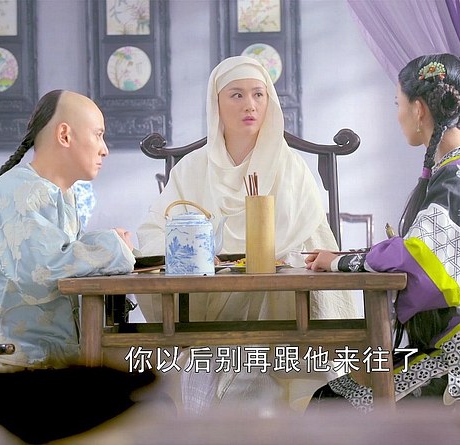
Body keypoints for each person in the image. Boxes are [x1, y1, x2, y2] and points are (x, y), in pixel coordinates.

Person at [305, 53, 460, 412]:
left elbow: (423, 259)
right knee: (333, 395)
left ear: (419, 109)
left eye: (398, 103)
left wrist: (341, 262)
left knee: (329, 404)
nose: (398, 114)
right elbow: (420, 251)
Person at [135, 56, 357, 414]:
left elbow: (315, 246)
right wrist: (194, 255)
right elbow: (153, 231)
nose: (250, 105)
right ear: (216, 103)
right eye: (236, 95)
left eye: (258, 94)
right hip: (210, 305)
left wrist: (277, 257)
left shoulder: (292, 169)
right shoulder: (193, 168)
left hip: (281, 304)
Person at [0, 90, 137, 422]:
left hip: (27, 364)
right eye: (98, 135)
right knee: (138, 410)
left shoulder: (57, 194)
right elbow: (42, 274)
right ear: (65, 135)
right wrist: (112, 246)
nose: (105, 149)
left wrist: (112, 247)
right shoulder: (21, 191)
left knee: (137, 405)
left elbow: (60, 257)